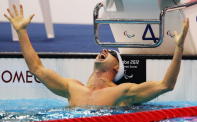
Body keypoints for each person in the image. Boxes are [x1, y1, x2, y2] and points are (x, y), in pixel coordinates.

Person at [4, 5, 189, 106]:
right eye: (103, 51)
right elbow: (37, 68)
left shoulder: (122, 92)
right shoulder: (71, 88)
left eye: (110, 53)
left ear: (117, 67)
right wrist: (21, 32)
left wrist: (179, 48)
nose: (104, 51)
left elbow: (166, 85)